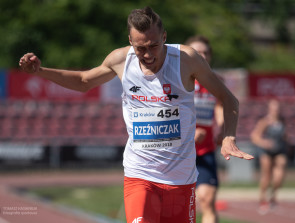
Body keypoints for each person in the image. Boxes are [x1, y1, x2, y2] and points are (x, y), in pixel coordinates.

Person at [19, 6, 254, 223]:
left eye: (153, 46)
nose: (148, 54)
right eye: (140, 48)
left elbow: (228, 98)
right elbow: (83, 81)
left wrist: (228, 137)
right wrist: (40, 70)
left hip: (181, 179)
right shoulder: (121, 60)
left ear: (164, 37)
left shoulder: (186, 60)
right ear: (130, 40)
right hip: (140, 174)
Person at [185, 35, 223, 223]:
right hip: (179, 152)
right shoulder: (178, 81)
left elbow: (220, 106)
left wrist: (223, 129)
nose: (202, 56)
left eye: (206, 52)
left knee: (207, 200)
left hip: (205, 150)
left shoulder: (216, 81)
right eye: (197, 52)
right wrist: (188, 134)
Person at [250, 99, 288, 214]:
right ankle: (262, 199)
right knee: (266, 176)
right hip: (266, 151)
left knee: (279, 174)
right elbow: (254, 136)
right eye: (273, 107)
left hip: (279, 150)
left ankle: (273, 197)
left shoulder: (282, 121)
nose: (275, 110)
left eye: (277, 108)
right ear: (269, 109)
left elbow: (285, 135)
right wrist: (264, 143)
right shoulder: (265, 121)